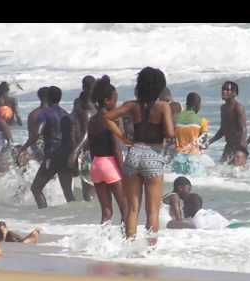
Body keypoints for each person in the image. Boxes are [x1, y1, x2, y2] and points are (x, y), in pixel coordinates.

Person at [103, 67, 174, 245]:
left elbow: (107, 118)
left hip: (134, 153)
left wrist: (123, 138)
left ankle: (129, 246)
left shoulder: (132, 105)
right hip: (153, 155)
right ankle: (150, 250)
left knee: (132, 209)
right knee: (152, 211)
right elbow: (170, 133)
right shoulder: (163, 106)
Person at [18, 86, 74, 209]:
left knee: (36, 188)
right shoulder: (66, 114)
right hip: (65, 154)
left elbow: (37, 133)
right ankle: (74, 216)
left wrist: (23, 148)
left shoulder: (44, 113)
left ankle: (44, 215)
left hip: (52, 155)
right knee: (68, 191)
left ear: (47, 98)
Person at [87, 75, 128, 225]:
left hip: (96, 164)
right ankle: (127, 241)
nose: (116, 104)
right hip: (110, 164)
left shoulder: (92, 120)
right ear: (107, 101)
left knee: (106, 211)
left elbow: (91, 147)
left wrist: (95, 165)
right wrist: (123, 172)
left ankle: (104, 243)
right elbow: (116, 148)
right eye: (115, 100)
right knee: (125, 208)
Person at [63, 77, 98, 202]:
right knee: (88, 188)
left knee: (89, 190)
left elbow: (87, 132)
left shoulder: (91, 106)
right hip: (83, 150)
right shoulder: (79, 102)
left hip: (90, 150)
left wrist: (74, 151)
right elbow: (75, 123)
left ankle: (94, 217)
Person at [208, 81, 247, 163]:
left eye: (226, 89)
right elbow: (223, 129)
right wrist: (209, 142)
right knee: (221, 170)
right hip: (229, 146)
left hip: (238, 146)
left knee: (238, 173)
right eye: (223, 89)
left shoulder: (238, 107)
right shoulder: (223, 108)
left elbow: (243, 129)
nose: (223, 91)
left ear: (234, 93)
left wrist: (241, 149)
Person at [171, 92, 210, 175]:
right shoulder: (202, 121)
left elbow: (170, 138)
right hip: (193, 160)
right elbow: (205, 144)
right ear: (198, 105)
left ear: (186, 104)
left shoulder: (175, 118)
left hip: (178, 159)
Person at [19, 87, 49, 163]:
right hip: (52, 146)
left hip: (37, 148)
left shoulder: (33, 114)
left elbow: (32, 136)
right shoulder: (57, 113)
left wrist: (23, 148)